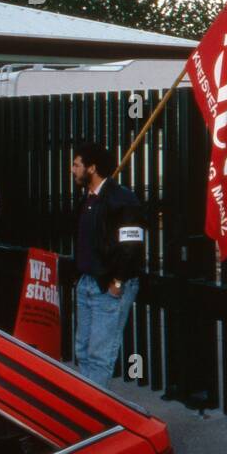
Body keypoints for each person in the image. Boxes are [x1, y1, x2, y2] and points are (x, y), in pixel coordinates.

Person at [70, 141, 145, 388]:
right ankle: (86, 404)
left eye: (76, 165)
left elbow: (131, 245)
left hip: (109, 286)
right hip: (87, 283)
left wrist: (118, 282)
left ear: (91, 168)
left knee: (99, 356)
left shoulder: (123, 200)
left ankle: (93, 416)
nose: (72, 170)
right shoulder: (90, 199)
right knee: (82, 350)